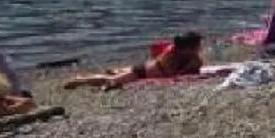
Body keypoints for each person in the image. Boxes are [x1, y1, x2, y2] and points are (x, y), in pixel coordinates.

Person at [61, 32, 206, 92]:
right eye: (197, 46)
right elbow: (171, 73)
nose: (199, 48)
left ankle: (118, 70)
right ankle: (80, 81)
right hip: (141, 72)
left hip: (146, 69)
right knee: (111, 81)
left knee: (118, 75)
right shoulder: (172, 54)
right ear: (187, 48)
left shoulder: (184, 54)